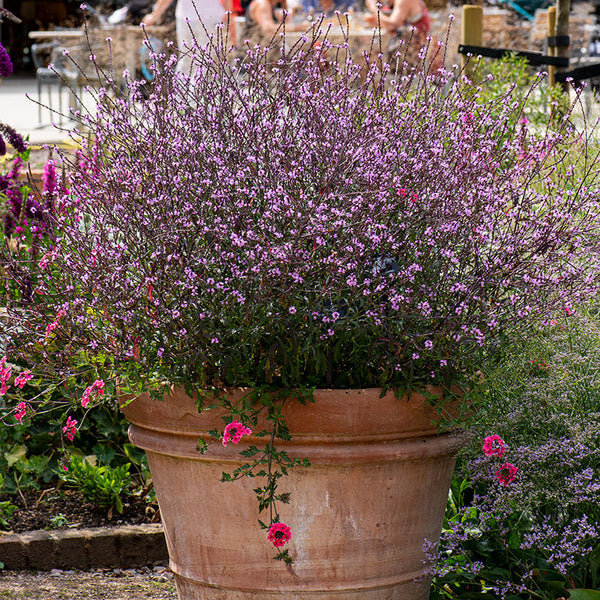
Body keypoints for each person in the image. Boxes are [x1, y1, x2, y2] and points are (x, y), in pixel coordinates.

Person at [142, 0, 226, 72]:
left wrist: (154, 15)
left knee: (187, 60)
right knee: (203, 61)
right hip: (205, 16)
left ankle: (184, 89)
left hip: (192, 16)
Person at [364, 0, 436, 72]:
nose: (384, 2)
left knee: (366, 59)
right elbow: (394, 26)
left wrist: (374, 8)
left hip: (412, 55)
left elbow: (392, 26)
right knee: (368, 57)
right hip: (414, 49)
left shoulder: (402, 1)